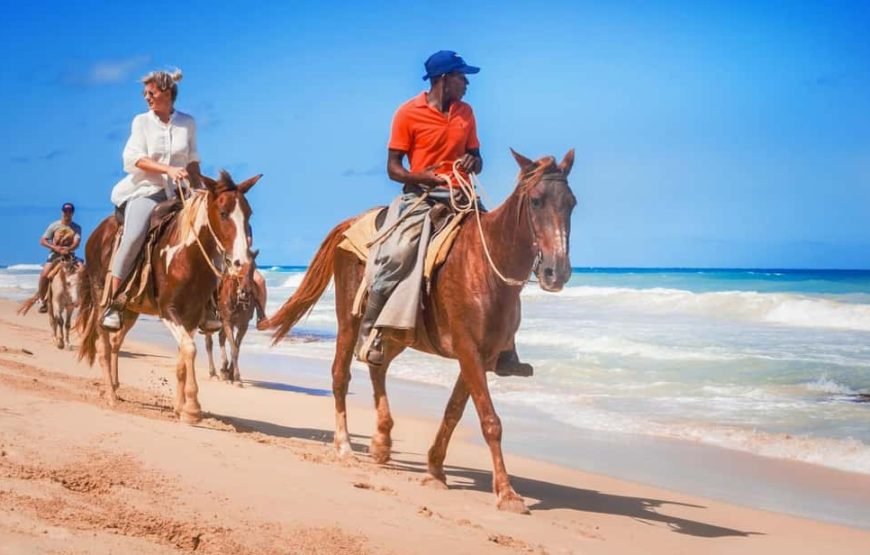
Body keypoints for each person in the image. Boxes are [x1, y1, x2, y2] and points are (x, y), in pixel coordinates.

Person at [356, 50, 533, 377]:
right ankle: (370, 330)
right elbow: (394, 169)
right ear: (443, 79)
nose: (466, 83)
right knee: (396, 254)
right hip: (421, 196)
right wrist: (422, 176)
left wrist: (472, 163)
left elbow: (476, 156)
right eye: (461, 77)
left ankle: (507, 347)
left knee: (501, 254)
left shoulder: (466, 112)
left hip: (463, 195)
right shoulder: (408, 113)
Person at [101, 69, 218, 331]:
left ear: (166, 93)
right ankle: (114, 303)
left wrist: (203, 189)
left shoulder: (188, 123)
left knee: (211, 233)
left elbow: (193, 161)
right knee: (133, 237)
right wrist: (167, 170)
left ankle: (211, 305)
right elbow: (133, 160)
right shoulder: (141, 122)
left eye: (151, 93)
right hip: (147, 189)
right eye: (145, 93)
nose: (146, 98)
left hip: (182, 191)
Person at [35, 202, 82, 312]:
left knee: (83, 271)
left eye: (69, 212)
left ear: (72, 213)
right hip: (54, 255)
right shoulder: (54, 225)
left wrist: (69, 249)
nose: (67, 214)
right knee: (44, 275)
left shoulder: (76, 227)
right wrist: (55, 248)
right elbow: (42, 240)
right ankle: (42, 300)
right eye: (65, 211)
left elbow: (77, 242)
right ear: (62, 212)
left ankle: (80, 299)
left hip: (69, 255)